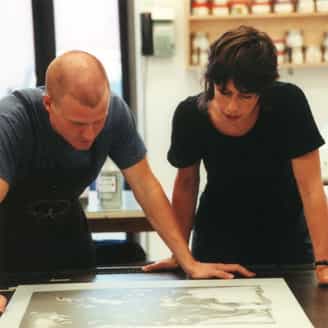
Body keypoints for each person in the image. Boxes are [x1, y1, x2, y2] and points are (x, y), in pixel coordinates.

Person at [0, 50, 254, 313]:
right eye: (77, 123)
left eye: (97, 121)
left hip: (67, 231)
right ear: (49, 105)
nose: (89, 135)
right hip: (7, 240)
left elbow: (145, 186)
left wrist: (187, 260)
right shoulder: (11, 121)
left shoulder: (115, 114)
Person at [143, 26, 328, 285]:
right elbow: (186, 185)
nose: (232, 107)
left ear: (263, 90)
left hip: (286, 240)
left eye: (246, 97)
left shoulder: (288, 104)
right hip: (216, 243)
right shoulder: (190, 115)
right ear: (211, 82)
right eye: (224, 92)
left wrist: (324, 262)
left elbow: (311, 188)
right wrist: (180, 255)